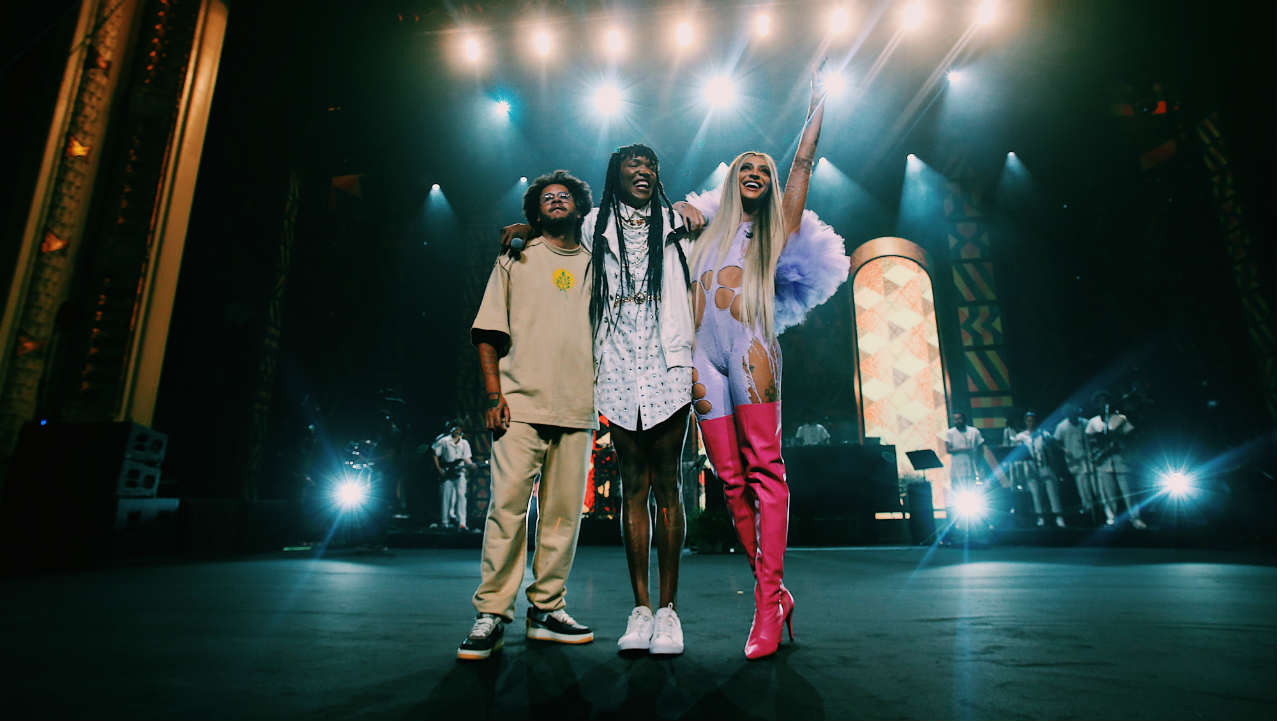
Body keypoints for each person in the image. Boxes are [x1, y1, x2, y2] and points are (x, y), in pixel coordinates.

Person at [683, 68, 846, 660]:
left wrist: (816, 109)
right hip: (701, 358)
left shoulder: (775, 230)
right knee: (729, 483)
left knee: (765, 472)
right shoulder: (699, 229)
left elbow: (801, 166)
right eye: (744, 167)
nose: (753, 172)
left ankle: (766, 601)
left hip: (750, 350)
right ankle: (775, 596)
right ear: (730, 180)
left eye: (763, 169)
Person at [457, 170, 598, 661]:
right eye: (547, 197)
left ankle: (546, 609)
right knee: (507, 511)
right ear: (535, 212)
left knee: (563, 517)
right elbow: (487, 332)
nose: (556, 200)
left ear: (580, 208)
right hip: (518, 405)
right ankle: (493, 613)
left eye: (565, 196)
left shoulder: (598, 264)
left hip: (578, 406)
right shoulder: (515, 258)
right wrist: (493, 396)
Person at [1086, 391, 1147, 529]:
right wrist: (1097, 453)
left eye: (1105, 401)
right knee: (1108, 494)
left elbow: (1131, 437)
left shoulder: (1120, 418)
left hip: (1121, 461)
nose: (1103, 404)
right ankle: (1111, 519)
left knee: (1128, 492)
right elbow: (1090, 442)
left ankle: (1136, 518)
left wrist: (1119, 441)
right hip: (1103, 462)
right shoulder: (1093, 422)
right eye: (1099, 402)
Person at [1015, 411, 1067, 528]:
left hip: (1045, 465)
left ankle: (1058, 516)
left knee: (1052, 492)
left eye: (1033, 420)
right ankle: (1040, 517)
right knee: (1036, 493)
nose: (1031, 423)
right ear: (1025, 422)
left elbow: (1054, 448)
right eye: (1028, 420)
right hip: (1030, 467)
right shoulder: (1021, 437)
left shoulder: (1044, 434)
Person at [1054, 407, 1097, 522]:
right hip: (1075, 463)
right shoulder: (1061, 426)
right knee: (1084, 490)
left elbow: (1094, 436)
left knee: (1096, 487)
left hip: (1090, 460)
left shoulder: (1085, 423)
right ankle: (1089, 513)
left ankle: (1099, 510)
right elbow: (1056, 441)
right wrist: (1065, 450)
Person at [432, 423, 475, 530]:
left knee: (461, 497)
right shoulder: (444, 441)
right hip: (447, 472)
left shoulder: (464, 443)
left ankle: (462, 523)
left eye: (459, 429)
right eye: (455, 429)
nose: (457, 431)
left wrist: (471, 465)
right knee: (446, 498)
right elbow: (435, 454)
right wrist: (439, 469)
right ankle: (444, 522)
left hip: (460, 473)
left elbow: (466, 458)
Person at [945, 412, 985, 490]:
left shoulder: (974, 432)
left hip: (972, 467)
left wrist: (979, 464)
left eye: (959, 419)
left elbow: (980, 448)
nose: (957, 421)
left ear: (964, 419)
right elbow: (948, 449)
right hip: (956, 469)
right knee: (957, 490)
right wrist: (964, 449)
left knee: (972, 489)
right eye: (955, 419)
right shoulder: (950, 433)